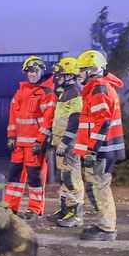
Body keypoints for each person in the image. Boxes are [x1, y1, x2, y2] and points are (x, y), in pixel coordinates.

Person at [72, 49, 126, 241]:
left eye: (82, 70)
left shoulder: (99, 89)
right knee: (97, 186)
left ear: (93, 69)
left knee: (99, 186)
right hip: (103, 147)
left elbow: (102, 122)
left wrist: (91, 149)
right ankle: (104, 223)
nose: (79, 74)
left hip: (101, 148)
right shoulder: (99, 87)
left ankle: (107, 228)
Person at [3, 55, 55, 220]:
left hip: (35, 146)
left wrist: (40, 141)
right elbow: (13, 117)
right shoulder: (20, 93)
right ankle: (10, 208)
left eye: (36, 71)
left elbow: (48, 120)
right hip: (19, 145)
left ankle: (36, 209)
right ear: (26, 73)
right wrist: (11, 136)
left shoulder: (47, 94)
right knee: (14, 178)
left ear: (41, 72)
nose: (33, 74)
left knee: (35, 178)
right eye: (30, 71)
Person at [48, 57, 84, 226]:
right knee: (63, 177)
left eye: (61, 75)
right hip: (62, 142)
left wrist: (65, 141)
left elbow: (75, 119)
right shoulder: (66, 92)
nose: (58, 78)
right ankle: (65, 209)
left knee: (72, 178)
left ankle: (76, 214)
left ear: (71, 75)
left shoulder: (75, 92)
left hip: (69, 144)